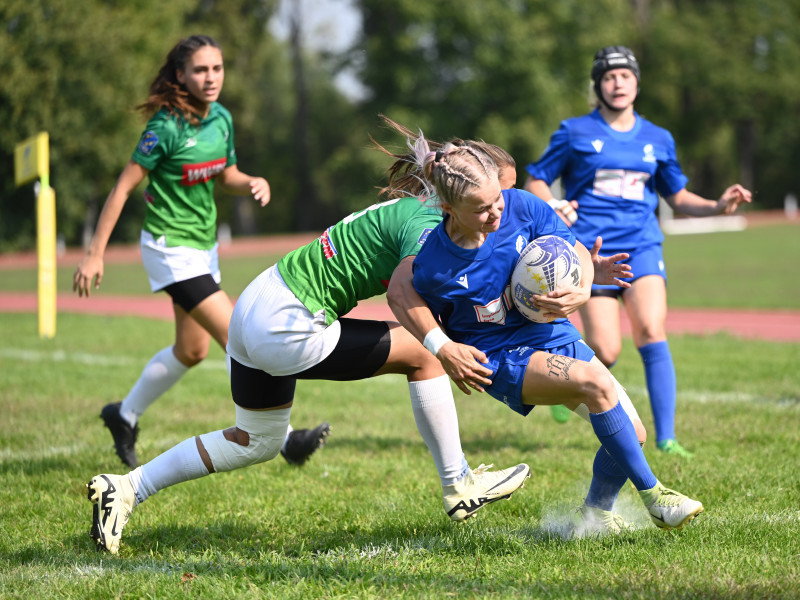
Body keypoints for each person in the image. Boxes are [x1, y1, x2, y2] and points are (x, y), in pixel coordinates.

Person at [84, 124, 534, 555]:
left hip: (258, 302)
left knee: (256, 440)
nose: (505, 210)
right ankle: (459, 485)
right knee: (425, 354)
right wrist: (445, 346)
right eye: (499, 196)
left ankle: (125, 488)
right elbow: (402, 292)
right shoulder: (426, 225)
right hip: (287, 320)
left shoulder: (431, 214)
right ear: (456, 197)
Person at [388, 130, 704, 537]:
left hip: (552, 334)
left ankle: (595, 515)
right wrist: (444, 348)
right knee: (595, 384)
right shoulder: (434, 265)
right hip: (501, 359)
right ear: (447, 208)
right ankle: (657, 498)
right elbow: (404, 299)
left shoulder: (521, 205)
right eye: (481, 209)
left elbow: (573, 250)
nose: (496, 213)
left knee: (633, 437)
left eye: (497, 200)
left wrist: (584, 286)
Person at [72, 35, 329, 469]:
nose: (210, 78)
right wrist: (95, 253)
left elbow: (224, 174)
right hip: (170, 249)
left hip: (203, 249)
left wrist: (250, 181)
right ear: (180, 75)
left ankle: (124, 414)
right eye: (200, 70)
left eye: (217, 68)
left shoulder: (221, 119)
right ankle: (285, 440)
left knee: (191, 350)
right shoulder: (165, 127)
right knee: (238, 333)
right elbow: (123, 186)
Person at [524, 46, 752, 458]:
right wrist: (555, 206)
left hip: (642, 246)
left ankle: (666, 438)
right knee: (606, 349)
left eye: (625, 76)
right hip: (591, 251)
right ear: (598, 85)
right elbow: (536, 179)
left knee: (650, 329)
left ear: (636, 83)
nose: (617, 83)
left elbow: (678, 197)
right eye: (609, 77)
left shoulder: (658, 138)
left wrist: (718, 206)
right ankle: (566, 389)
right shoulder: (574, 131)